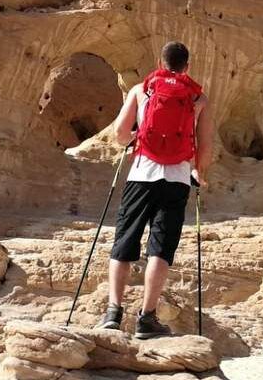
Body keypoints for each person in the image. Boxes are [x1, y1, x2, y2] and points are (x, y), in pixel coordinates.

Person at [97, 41, 213, 338]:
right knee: (160, 248)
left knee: (125, 241)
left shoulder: (142, 90)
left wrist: (135, 138)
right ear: (187, 66)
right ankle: (147, 318)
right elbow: (205, 145)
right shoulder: (198, 98)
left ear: (161, 63)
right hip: (177, 178)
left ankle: (113, 312)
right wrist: (199, 172)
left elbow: (120, 133)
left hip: (141, 174)